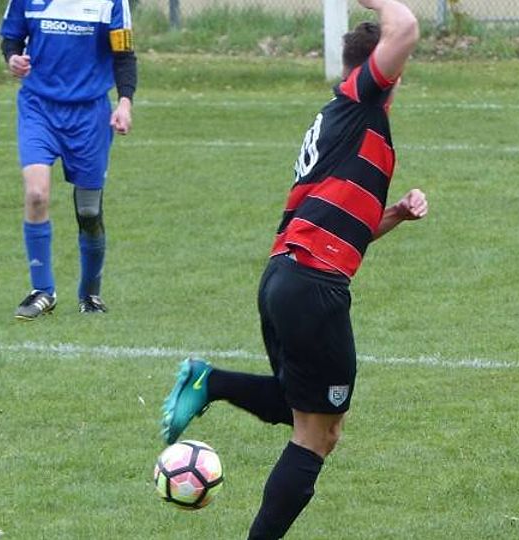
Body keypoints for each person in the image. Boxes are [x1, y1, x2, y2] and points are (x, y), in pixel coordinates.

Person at [159, 1, 425, 537]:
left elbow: (341, 225)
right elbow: (407, 25)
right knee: (317, 434)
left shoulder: (338, 121)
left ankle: (212, 382)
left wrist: (394, 214)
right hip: (312, 286)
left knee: (301, 406)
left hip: (286, 277)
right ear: (383, 70)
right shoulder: (360, 101)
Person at [0, 0, 137, 320]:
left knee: (88, 211)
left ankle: (90, 293)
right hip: (38, 107)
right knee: (36, 194)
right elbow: (12, 39)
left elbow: (124, 56)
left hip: (90, 114)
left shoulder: (111, 3)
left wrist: (124, 103)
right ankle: (42, 291)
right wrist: (13, 59)